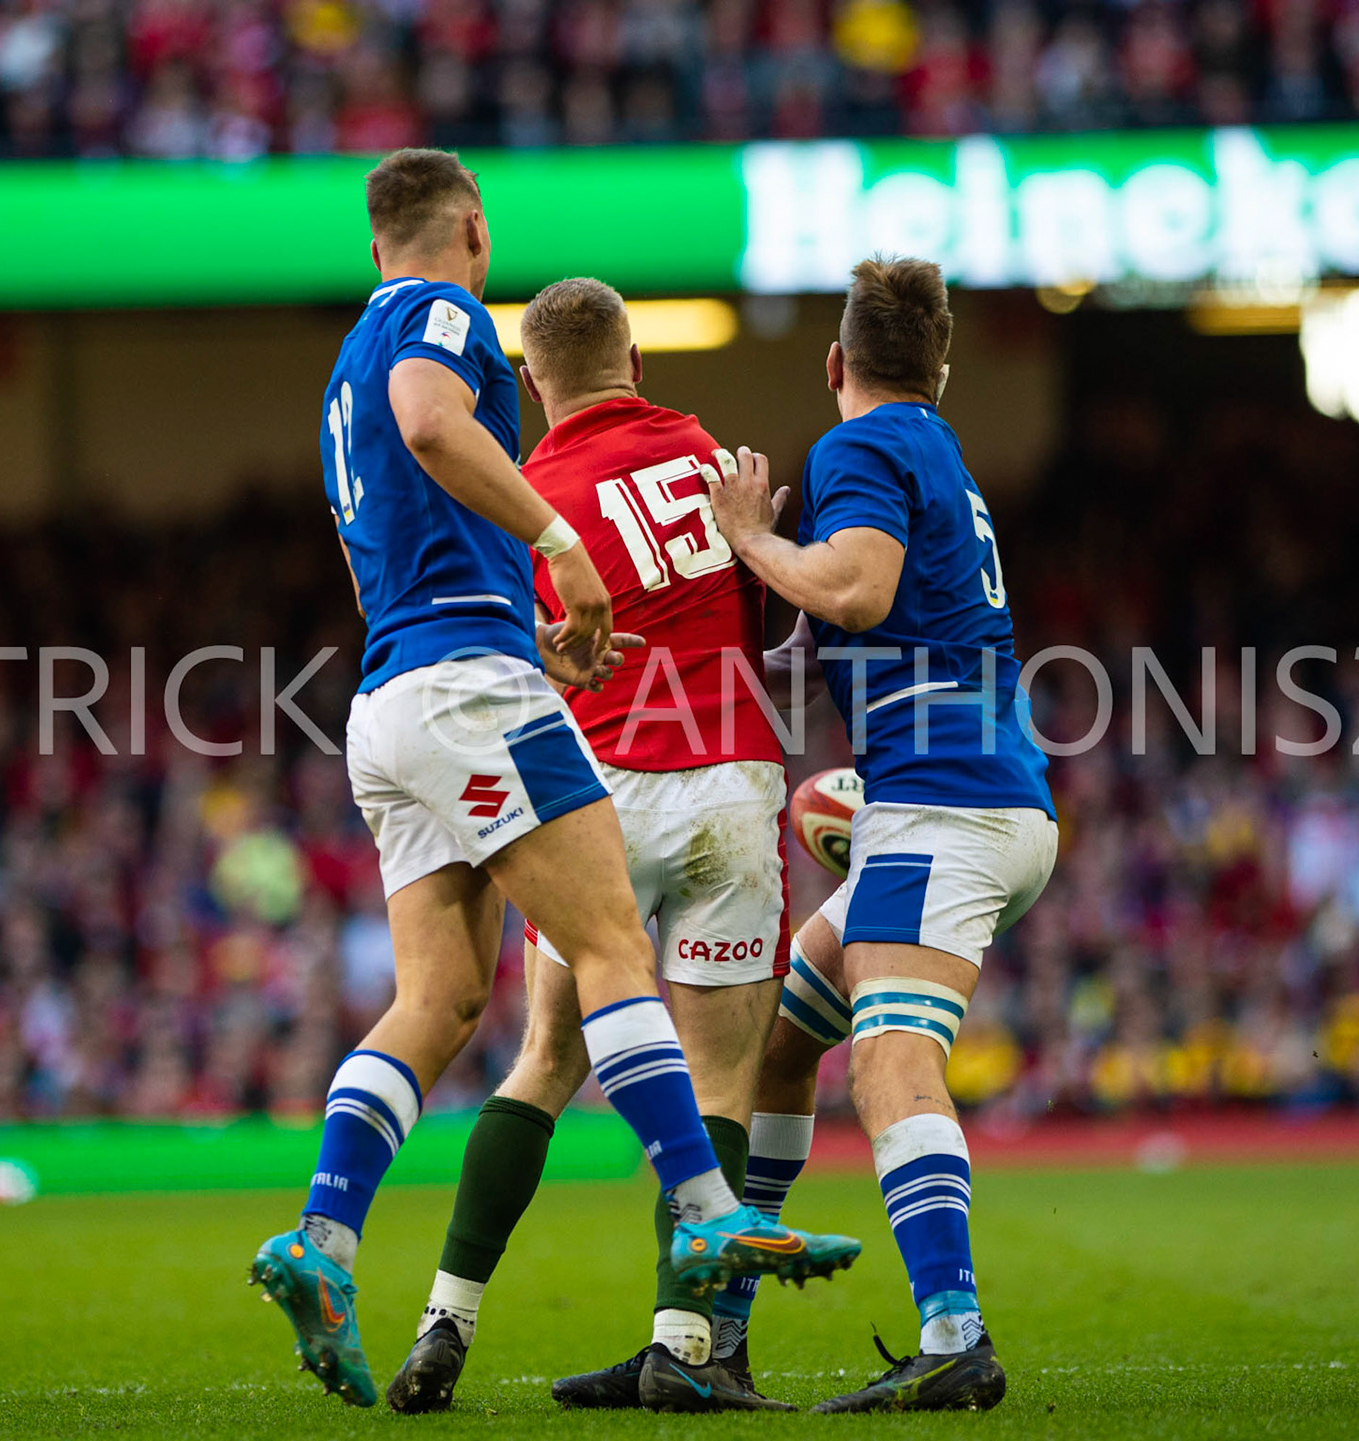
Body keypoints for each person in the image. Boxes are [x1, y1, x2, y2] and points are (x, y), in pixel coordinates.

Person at [247, 150, 857, 1409]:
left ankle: (325, 1236)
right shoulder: (443, 314)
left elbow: (414, 522)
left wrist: (546, 626)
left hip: (392, 701)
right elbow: (434, 418)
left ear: (371, 245)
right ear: (471, 229)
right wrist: (562, 544)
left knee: (444, 1001)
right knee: (614, 944)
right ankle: (702, 1216)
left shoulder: (333, 377)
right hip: (511, 699)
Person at [384, 276, 827, 1415]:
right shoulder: (714, 461)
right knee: (720, 1076)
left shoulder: (525, 494)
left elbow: (515, 649)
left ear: (530, 380)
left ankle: (447, 1320)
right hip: (731, 783)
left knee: (547, 1058)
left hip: (601, 797)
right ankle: (686, 1344)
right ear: (635, 352)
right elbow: (769, 617)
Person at [704, 254, 1058, 1413]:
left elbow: (855, 589)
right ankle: (724, 1331)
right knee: (779, 1045)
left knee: (892, 1061)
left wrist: (749, 536)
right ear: (941, 370)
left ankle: (955, 1334)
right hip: (968, 793)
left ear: (834, 363)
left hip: (940, 802)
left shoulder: (856, 447)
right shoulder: (940, 451)